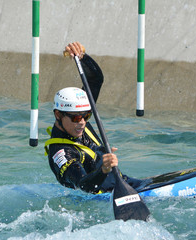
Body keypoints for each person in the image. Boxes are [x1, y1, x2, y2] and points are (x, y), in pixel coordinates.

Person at [45, 42, 141, 194]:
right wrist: (103, 169)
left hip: (122, 183)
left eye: (86, 116)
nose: (82, 123)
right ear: (58, 115)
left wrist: (82, 57)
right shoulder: (61, 153)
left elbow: (95, 79)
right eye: (76, 118)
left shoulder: (78, 114)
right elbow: (84, 186)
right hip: (103, 197)